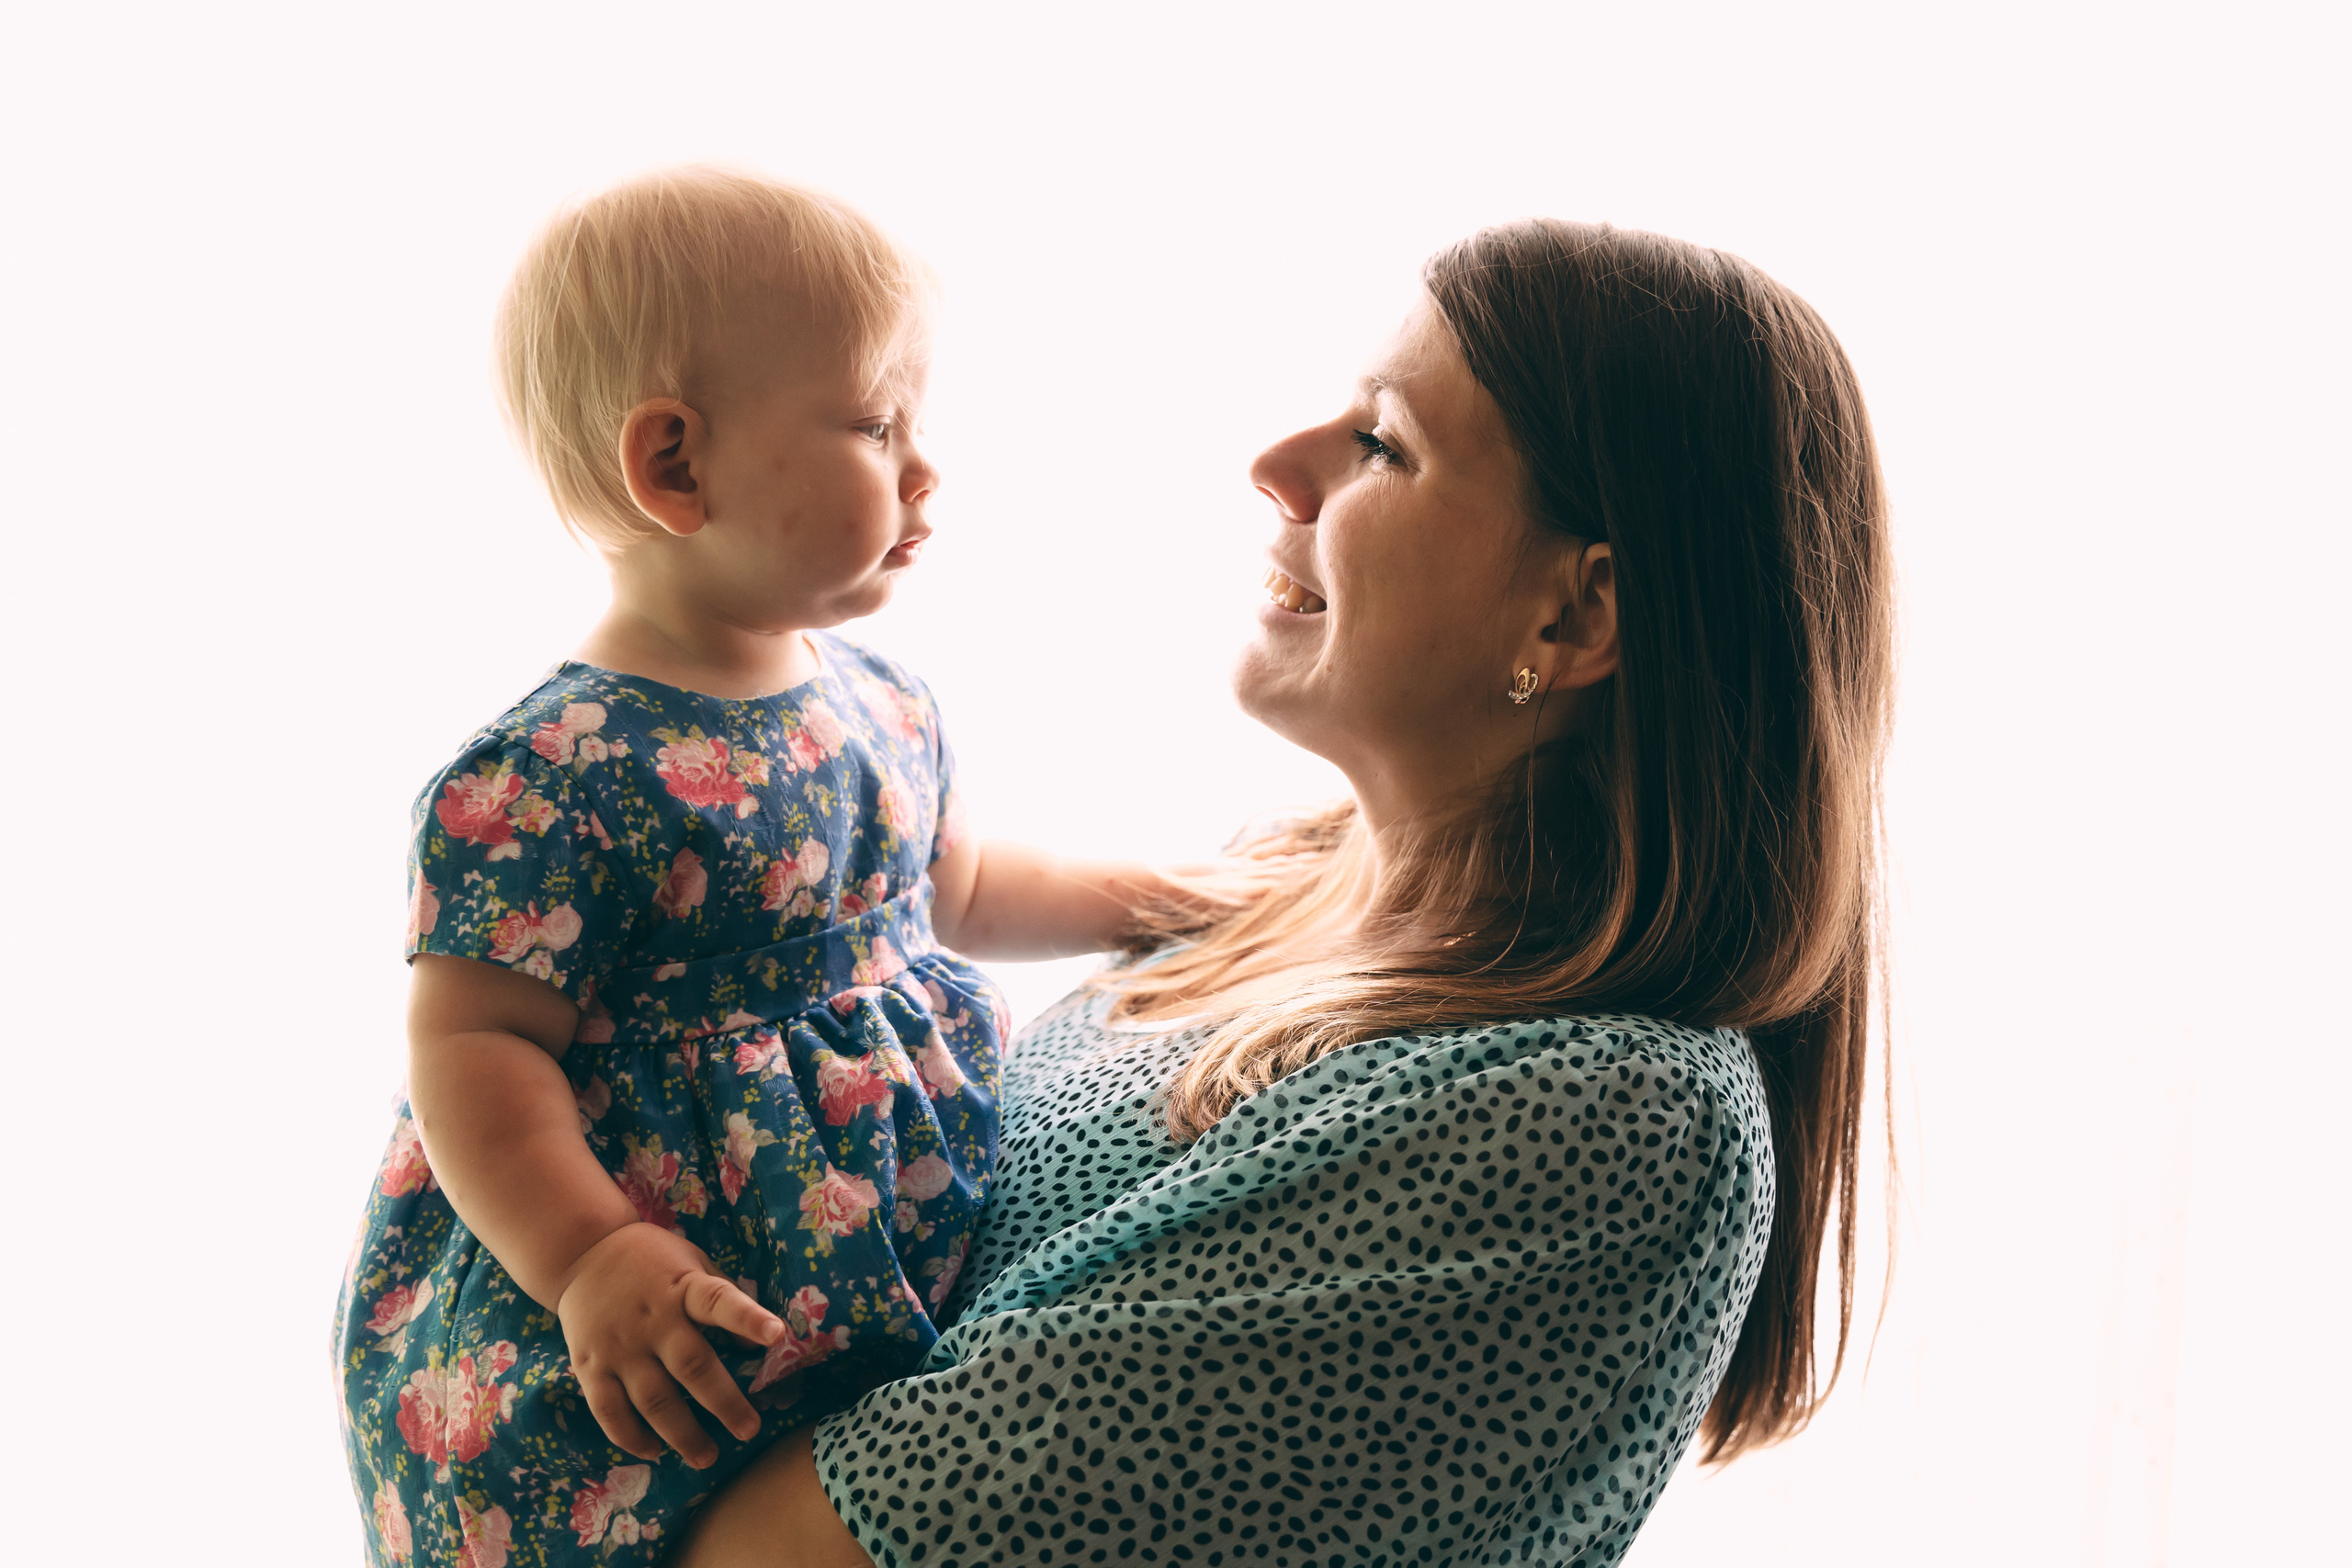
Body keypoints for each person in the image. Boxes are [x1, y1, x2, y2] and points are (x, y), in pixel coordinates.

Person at [672, 219, 1895, 1568]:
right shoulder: (1276, 884)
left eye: (1382, 444)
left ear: (1574, 618)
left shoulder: (1600, 1116)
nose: (1275, 465)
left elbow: (805, 1556)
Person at [335, 168, 1177, 1567]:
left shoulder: (881, 698)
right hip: (655, 1297)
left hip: (857, 1287)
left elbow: (953, 889)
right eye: (875, 423)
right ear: (675, 465)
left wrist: (1152, 899)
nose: (927, 467)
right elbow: (473, 1044)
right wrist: (591, 1255)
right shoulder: (548, 775)